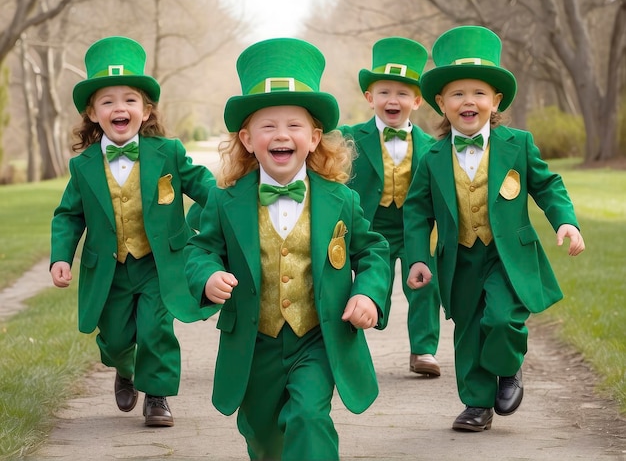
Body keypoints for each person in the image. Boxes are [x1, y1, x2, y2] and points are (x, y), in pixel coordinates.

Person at [184, 38, 391, 460]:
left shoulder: (341, 200)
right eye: (268, 126)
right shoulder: (226, 201)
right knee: (262, 434)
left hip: (316, 336)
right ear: (246, 138)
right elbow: (199, 249)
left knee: (309, 417)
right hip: (254, 340)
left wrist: (368, 292)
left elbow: (373, 251)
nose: (282, 135)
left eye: (294, 125)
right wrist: (207, 275)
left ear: (314, 138)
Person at [404, 25, 585, 432]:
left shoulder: (517, 144)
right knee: (468, 327)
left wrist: (566, 222)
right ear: (441, 103)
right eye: (457, 93)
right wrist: (417, 256)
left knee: (501, 319)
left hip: (508, 255)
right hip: (460, 256)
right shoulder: (432, 157)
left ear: (495, 100)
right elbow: (416, 211)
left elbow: (547, 185)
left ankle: (508, 367)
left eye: (479, 93)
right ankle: (476, 405)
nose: (469, 101)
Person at [49, 36, 217, 427]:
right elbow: (69, 215)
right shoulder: (83, 166)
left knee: (156, 327)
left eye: (129, 100)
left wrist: (231, 206)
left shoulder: (168, 152)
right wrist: (61, 256)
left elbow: (200, 183)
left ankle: (157, 396)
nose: (119, 108)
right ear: (93, 113)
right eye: (108, 101)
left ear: (146, 110)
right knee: (115, 336)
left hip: (159, 264)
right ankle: (124, 368)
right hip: (108, 267)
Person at [339, 37, 442, 377]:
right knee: (371, 283)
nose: (392, 100)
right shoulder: (350, 137)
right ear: (370, 98)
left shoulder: (432, 146)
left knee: (425, 282)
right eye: (384, 92)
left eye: (402, 93)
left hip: (415, 228)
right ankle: (355, 348)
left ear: (417, 100)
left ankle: (424, 350)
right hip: (371, 225)